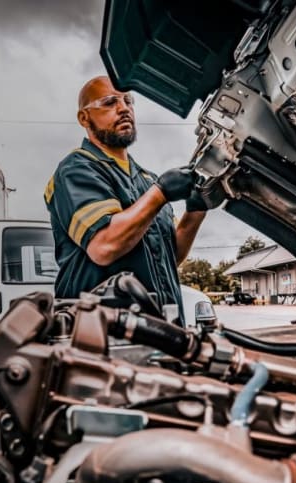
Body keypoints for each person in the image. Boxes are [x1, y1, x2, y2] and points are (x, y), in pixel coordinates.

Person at [44, 76, 209, 322]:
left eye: (128, 101)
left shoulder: (146, 179)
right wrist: (161, 193)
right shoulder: (77, 170)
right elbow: (104, 246)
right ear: (84, 118)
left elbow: (172, 255)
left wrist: (197, 207)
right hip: (101, 340)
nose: (124, 108)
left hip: (163, 332)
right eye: (110, 102)